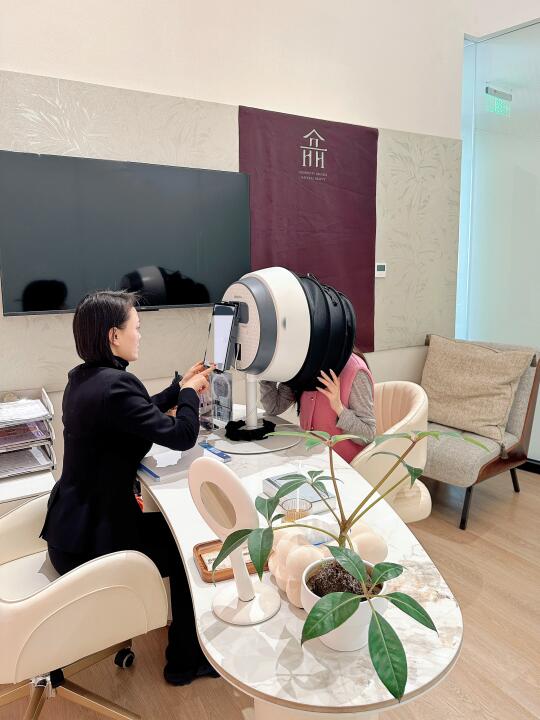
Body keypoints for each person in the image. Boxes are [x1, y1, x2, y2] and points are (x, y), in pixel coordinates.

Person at [40, 290, 215, 686]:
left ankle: (184, 647)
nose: (140, 334)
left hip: (71, 530)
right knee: (186, 545)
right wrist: (189, 394)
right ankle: (185, 662)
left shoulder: (84, 379)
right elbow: (182, 435)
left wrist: (179, 387)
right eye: (136, 327)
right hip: (92, 543)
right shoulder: (115, 386)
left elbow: (134, 412)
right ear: (114, 336)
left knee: (173, 533)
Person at [260, 349, 376, 463]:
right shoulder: (303, 361)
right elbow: (273, 407)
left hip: (342, 469)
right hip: (310, 462)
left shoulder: (355, 370)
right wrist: (270, 368)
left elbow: (368, 435)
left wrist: (339, 408)